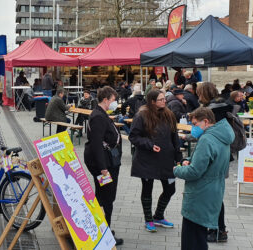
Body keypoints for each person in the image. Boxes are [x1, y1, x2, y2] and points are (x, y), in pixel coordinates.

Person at [174, 107, 234, 250]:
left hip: (200, 192)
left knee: (192, 239)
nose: (193, 128)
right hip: (213, 189)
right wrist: (189, 159)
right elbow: (210, 160)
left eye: (195, 124)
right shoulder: (221, 135)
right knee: (199, 237)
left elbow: (195, 172)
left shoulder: (207, 139)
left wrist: (177, 170)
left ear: (206, 121)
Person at [129, 89, 182, 233]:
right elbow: (133, 136)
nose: (164, 101)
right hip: (147, 159)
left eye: (164, 98)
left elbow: (174, 137)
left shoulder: (168, 114)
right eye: (161, 99)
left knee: (170, 189)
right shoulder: (142, 115)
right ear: (152, 101)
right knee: (147, 189)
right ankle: (148, 220)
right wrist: (150, 145)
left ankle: (158, 216)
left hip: (167, 159)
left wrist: (178, 157)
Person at [84, 86, 123, 246]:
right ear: (106, 99)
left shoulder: (101, 114)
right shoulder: (98, 116)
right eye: (113, 100)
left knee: (104, 195)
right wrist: (103, 168)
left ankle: (103, 227)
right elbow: (96, 144)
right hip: (104, 164)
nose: (115, 103)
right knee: (106, 197)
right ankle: (103, 232)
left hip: (106, 162)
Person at [196, 82, 234, 242]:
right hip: (223, 155)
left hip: (214, 156)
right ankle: (217, 229)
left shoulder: (211, 110)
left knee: (214, 195)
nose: (197, 96)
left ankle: (219, 230)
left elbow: (205, 132)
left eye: (199, 93)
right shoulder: (223, 106)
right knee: (215, 193)